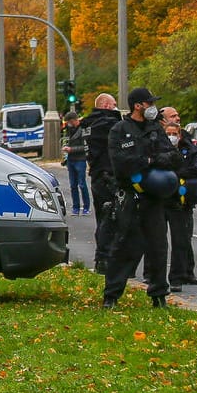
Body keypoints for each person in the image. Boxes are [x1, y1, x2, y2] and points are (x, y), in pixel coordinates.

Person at [102, 87, 179, 310]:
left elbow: (172, 158)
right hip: (130, 198)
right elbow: (121, 164)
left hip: (153, 199)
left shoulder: (156, 128)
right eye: (149, 103)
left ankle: (158, 295)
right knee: (124, 247)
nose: (152, 108)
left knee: (158, 247)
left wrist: (149, 160)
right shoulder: (120, 130)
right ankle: (112, 296)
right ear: (138, 105)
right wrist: (148, 160)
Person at [160, 107, 197, 292]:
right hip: (161, 200)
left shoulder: (188, 149)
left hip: (180, 201)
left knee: (181, 240)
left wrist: (178, 173)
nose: (171, 136)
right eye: (168, 133)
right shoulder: (158, 149)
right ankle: (154, 276)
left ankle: (178, 277)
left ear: (179, 135)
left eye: (174, 134)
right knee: (157, 242)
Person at [81, 92, 122, 273]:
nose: (115, 108)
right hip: (108, 176)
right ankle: (105, 259)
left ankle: (103, 258)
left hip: (97, 175)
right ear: (106, 106)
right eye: (113, 105)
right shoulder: (106, 123)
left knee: (102, 218)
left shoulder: (88, 124)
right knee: (110, 218)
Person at [62, 111, 90, 215]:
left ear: (73, 120)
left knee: (82, 184)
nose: (68, 124)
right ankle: (76, 207)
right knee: (73, 185)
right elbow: (67, 140)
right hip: (71, 160)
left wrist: (71, 149)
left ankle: (86, 207)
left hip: (80, 159)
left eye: (69, 122)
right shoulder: (69, 130)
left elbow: (85, 146)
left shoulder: (83, 129)